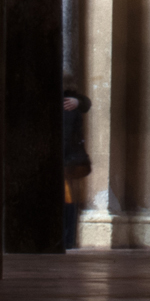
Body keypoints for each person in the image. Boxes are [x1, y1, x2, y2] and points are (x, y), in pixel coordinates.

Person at [62, 78, 93, 250]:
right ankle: (68, 239)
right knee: (69, 201)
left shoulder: (68, 104)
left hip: (67, 161)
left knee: (68, 202)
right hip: (69, 160)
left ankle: (67, 239)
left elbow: (86, 103)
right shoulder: (72, 102)